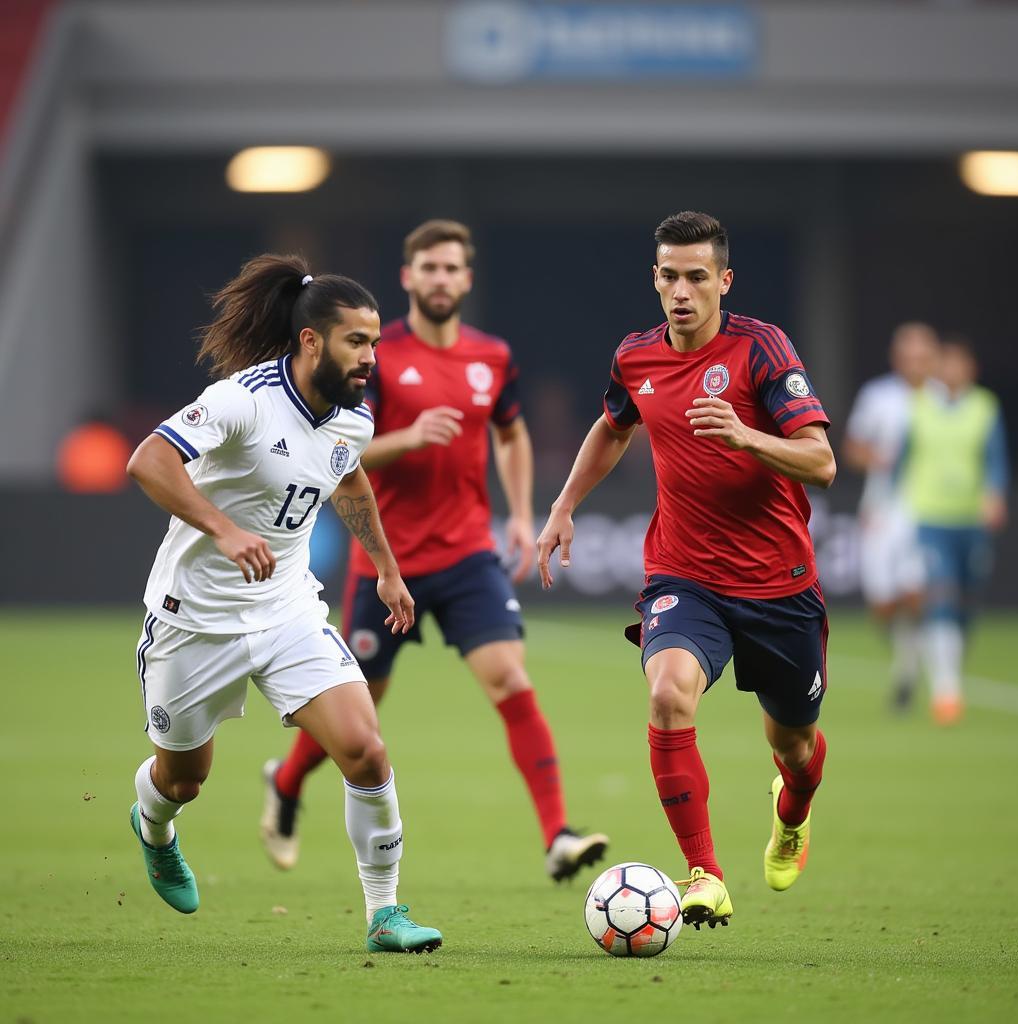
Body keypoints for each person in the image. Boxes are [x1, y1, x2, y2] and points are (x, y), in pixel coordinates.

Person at [261, 220, 608, 882]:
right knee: (359, 709)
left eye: (452, 269)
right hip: (386, 562)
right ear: (408, 277)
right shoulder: (373, 354)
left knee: (511, 678)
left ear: (467, 279)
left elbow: (510, 432)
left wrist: (523, 511)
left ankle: (558, 834)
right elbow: (339, 451)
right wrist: (411, 436)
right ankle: (287, 780)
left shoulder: (491, 357)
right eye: (430, 268)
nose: (441, 279)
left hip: (467, 554)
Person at [126, 255, 442, 954]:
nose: (370, 358)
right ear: (310, 342)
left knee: (363, 748)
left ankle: (385, 914)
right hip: (193, 620)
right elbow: (148, 460)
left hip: (287, 611)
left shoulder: (352, 419)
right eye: (357, 342)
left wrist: (387, 567)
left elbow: (350, 481)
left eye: (376, 344)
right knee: (183, 780)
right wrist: (225, 528)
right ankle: (153, 826)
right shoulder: (244, 399)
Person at [537, 211, 836, 930]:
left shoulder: (761, 350)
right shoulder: (636, 357)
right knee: (669, 695)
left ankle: (790, 813)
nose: (682, 290)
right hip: (684, 573)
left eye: (698, 276)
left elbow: (821, 462)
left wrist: (746, 435)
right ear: (655, 279)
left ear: (723, 282)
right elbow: (614, 425)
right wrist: (565, 504)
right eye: (669, 275)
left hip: (778, 582)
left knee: (793, 747)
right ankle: (705, 872)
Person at [899, 337, 1009, 725]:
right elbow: (903, 459)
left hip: (971, 518)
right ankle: (947, 690)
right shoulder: (919, 407)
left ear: (970, 370)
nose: (951, 371)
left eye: (958, 365)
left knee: (966, 600)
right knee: (941, 592)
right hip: (931, 516)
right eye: (945, 365)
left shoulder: (984, 407)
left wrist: (995, 494)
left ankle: (951, 671)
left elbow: (995, 458)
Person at [843, 323, 939, 710]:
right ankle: (906, 654)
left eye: (922, 356)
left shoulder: (943, 399)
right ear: (897, 359)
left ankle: (910, 672)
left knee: (916, 594)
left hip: (927, 511)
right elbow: (853, 448)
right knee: (883, 602)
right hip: (882, 509)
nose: (915, 363)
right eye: (909, 355)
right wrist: (875, 459)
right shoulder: (878, 397)